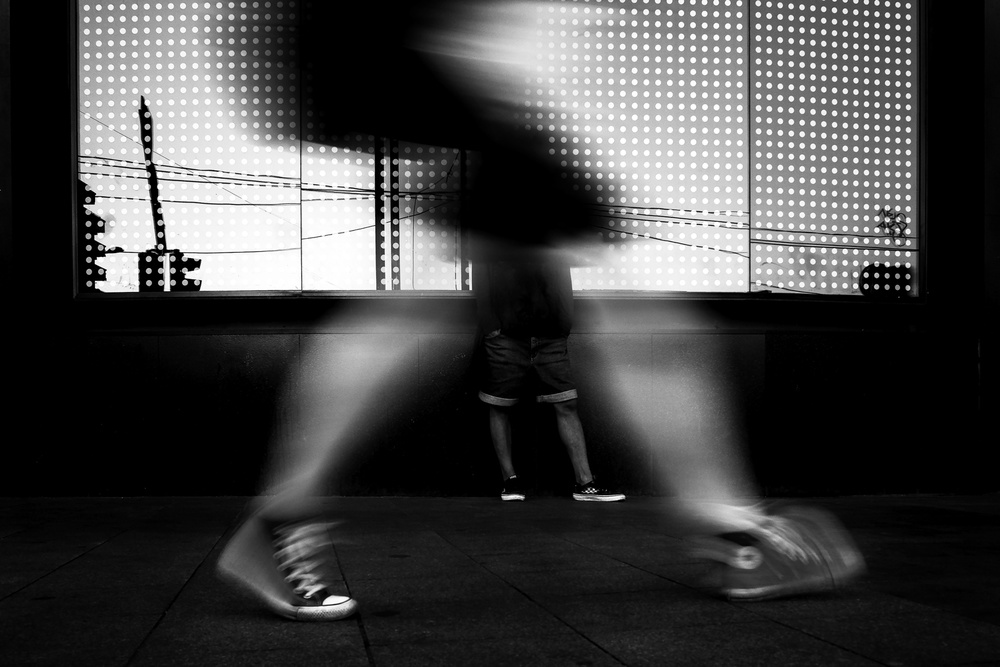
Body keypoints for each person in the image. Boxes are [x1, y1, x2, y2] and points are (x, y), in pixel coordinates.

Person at [216, 0, 865, 621]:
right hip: (408, 43)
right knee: (607, 288)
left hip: (407, 48)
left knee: (448, 305)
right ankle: (737, 536)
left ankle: (734, 532)